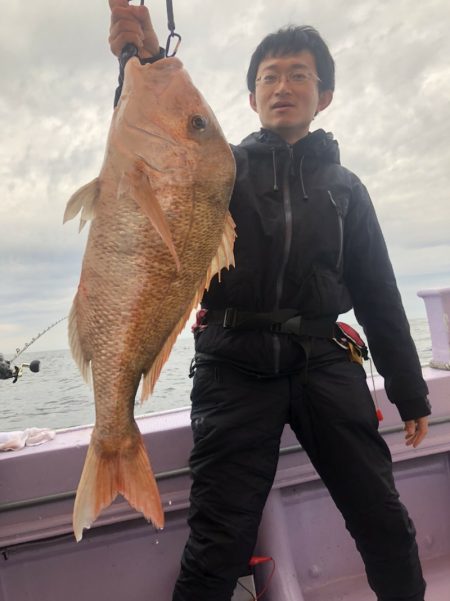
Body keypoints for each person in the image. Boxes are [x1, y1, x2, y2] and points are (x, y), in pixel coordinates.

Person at [109, 3, 431, 600]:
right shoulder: (219, 169)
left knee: (384, 521)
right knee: (217, 544)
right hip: (233, 363)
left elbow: (380, 297)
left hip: (324, 361)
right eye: (269, 76)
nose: (282, 86)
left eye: (299, 75)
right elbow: (152, 154)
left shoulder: (347, 190)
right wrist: (145, 61)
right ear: (252, 96)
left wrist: (409, 392)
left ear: (324, 95)